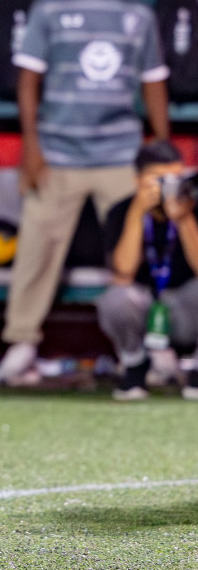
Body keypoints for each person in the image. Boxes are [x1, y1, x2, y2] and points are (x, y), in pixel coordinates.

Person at [0, 0, 171, 385]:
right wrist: (31, 145)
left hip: (120, 155)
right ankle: (21, 344)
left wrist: (163, 148)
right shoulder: (50, 9)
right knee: (36, 250)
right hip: (59, 153)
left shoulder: (139, 14)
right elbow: (29, 80)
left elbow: (153, 84)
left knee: (142, 248)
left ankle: (154, 347)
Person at [97, 141, 198, 401]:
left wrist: (184, 219)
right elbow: (123, 273)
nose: (168, 185)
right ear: (138, 180)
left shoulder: (193, 208)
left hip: (185, 307)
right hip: (145, 307)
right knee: (116, 299)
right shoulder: (121, 211)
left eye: (175, 177)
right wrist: (137, 213)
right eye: (159, 179)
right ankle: (134, 364)